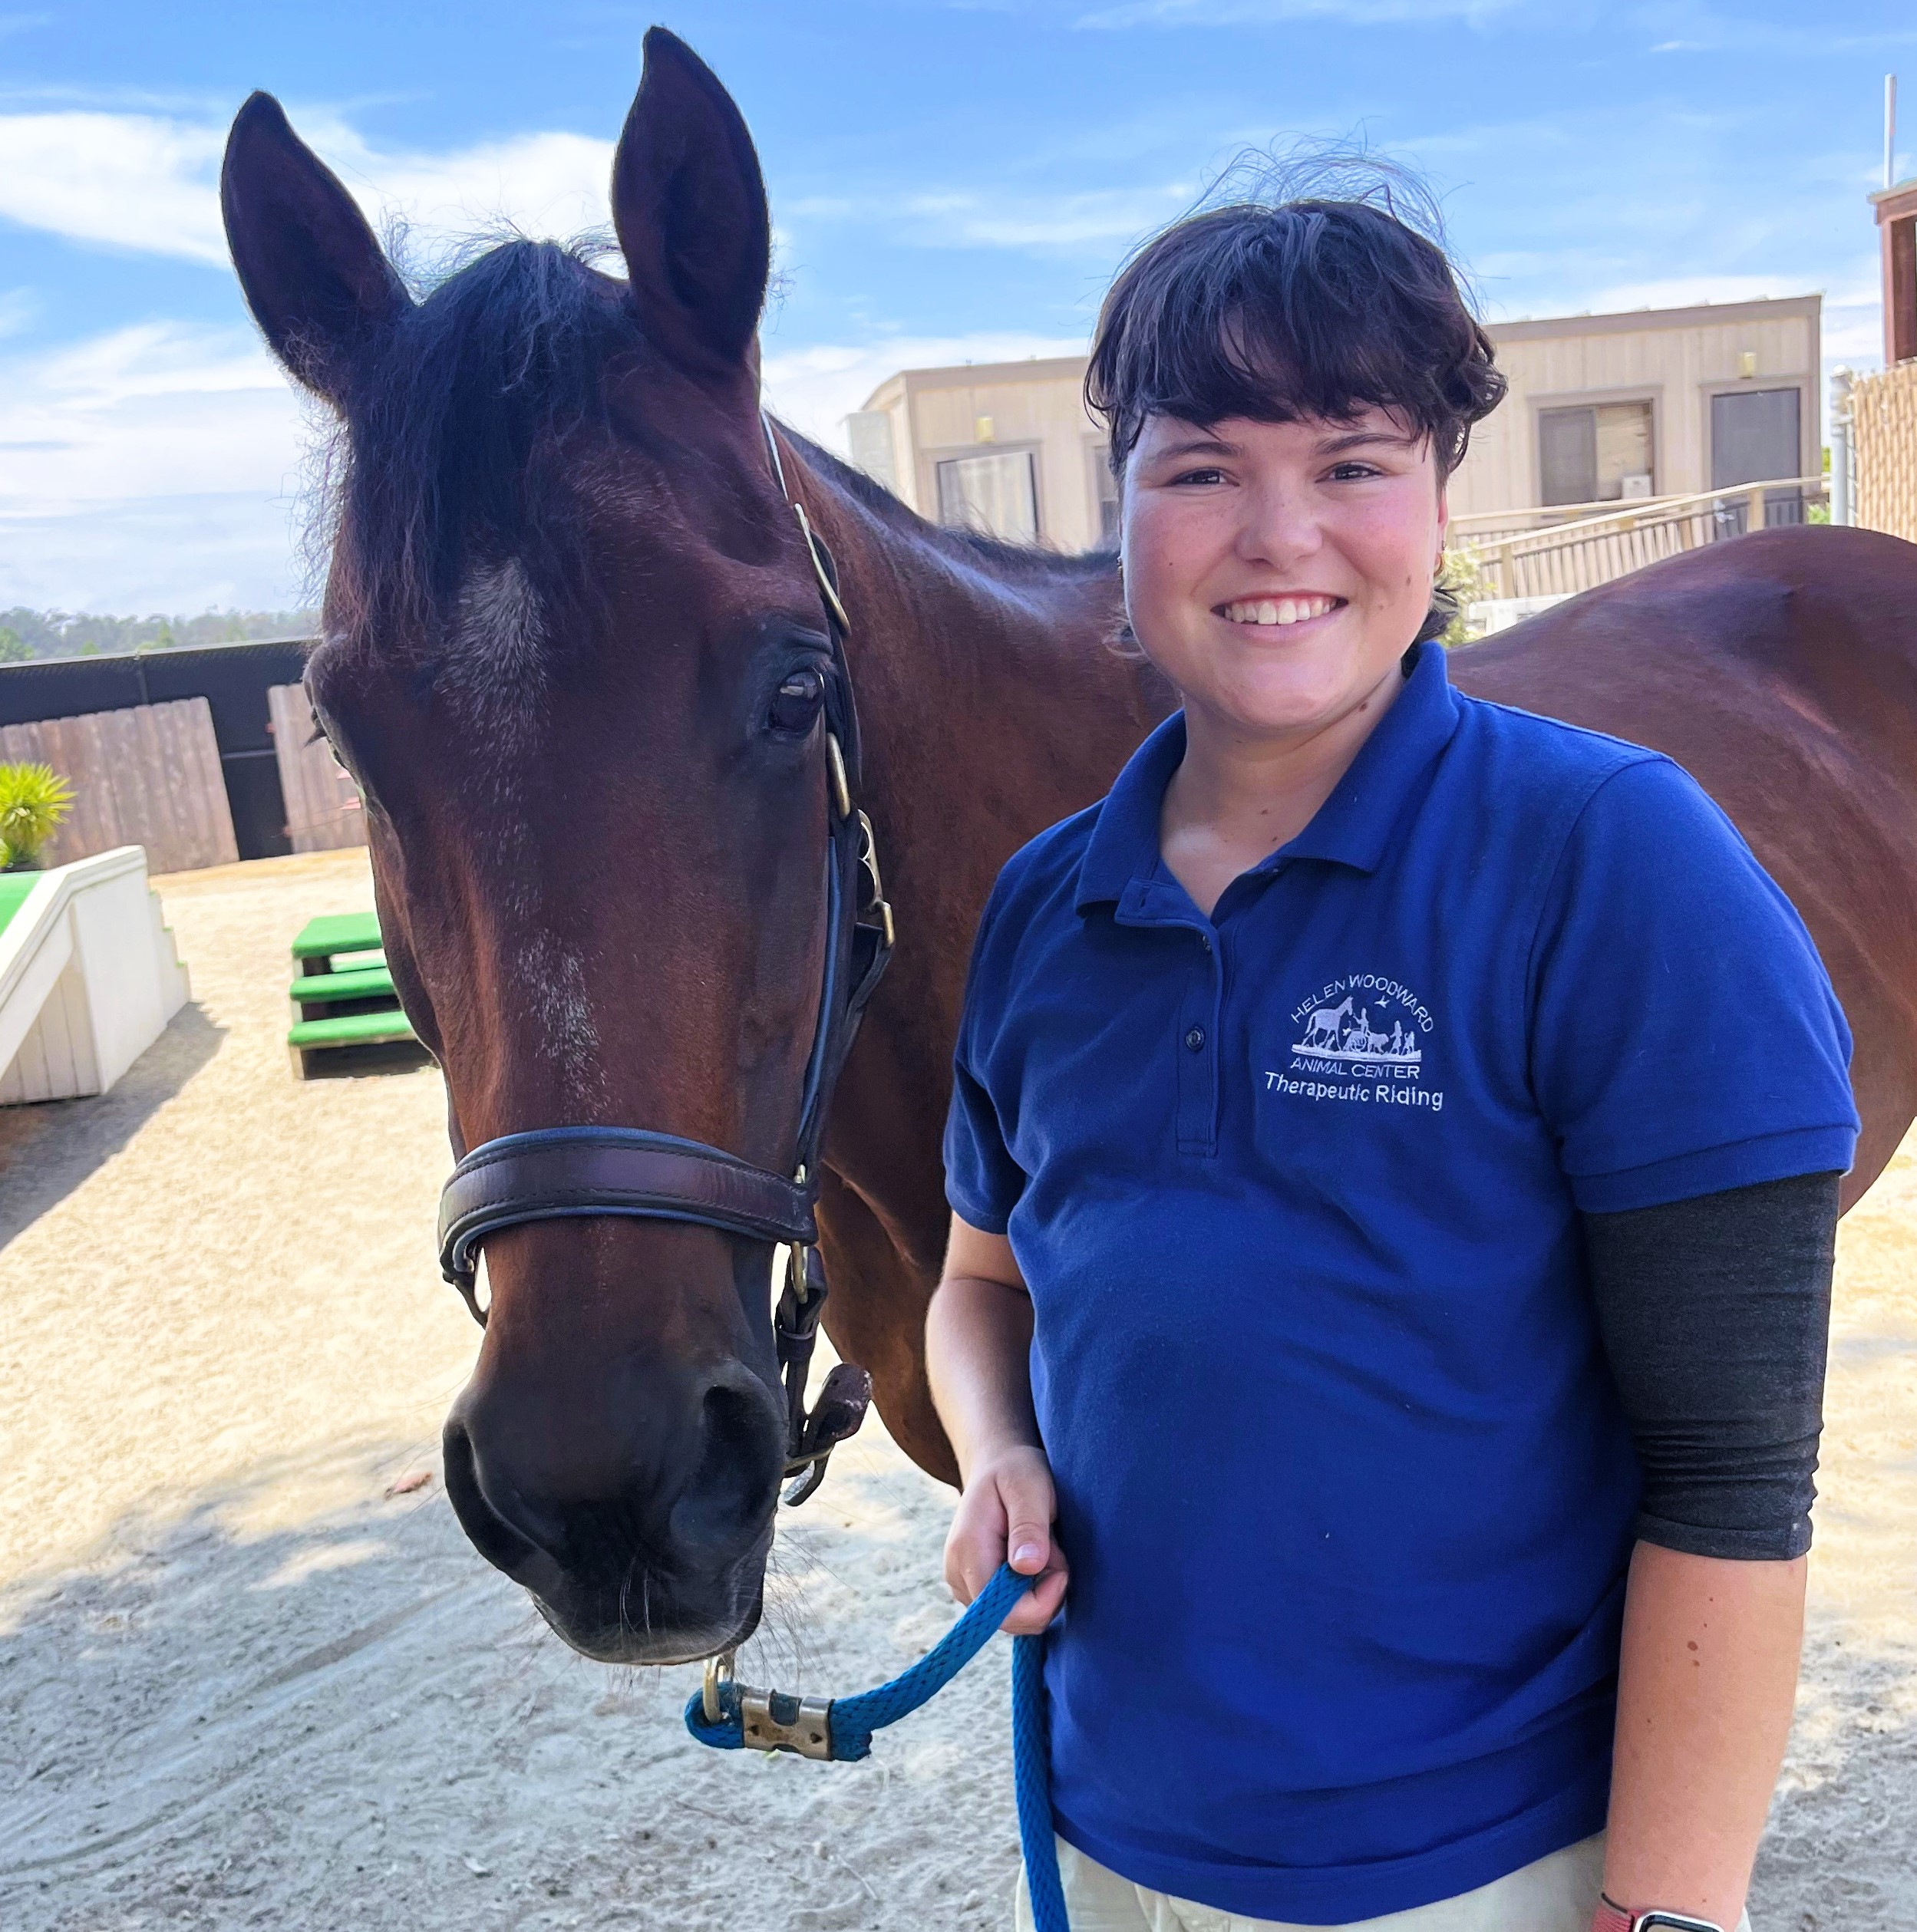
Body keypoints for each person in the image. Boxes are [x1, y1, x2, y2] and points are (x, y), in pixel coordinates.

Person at [926, 183, 1856, 1932]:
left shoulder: (1615, 864)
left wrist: (1664, 1911)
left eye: (1351, 459)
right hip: (1115, 1831)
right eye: (1199, 466)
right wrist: (995, 1442)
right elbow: (981, 1283)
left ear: (1439, 496)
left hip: (1483, 1868)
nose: (1278, 534)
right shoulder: (1044, 908)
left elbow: (1733, 1475)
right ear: (1119, 510)